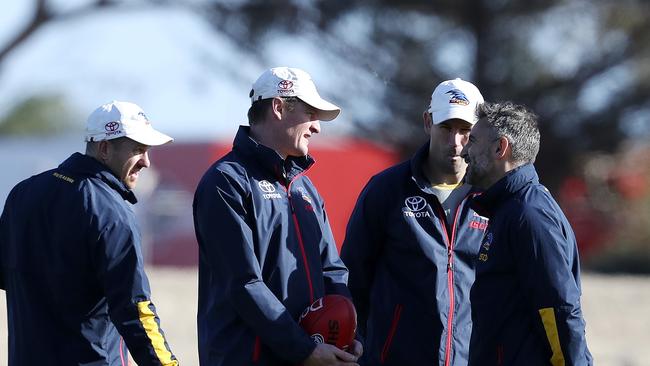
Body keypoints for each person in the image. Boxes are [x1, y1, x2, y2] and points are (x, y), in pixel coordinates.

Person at [193, 66, 362, 366]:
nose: (317, 127)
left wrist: (347, 333)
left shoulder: (305, 188)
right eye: (310, 114)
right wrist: (304, 350)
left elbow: (332, 271)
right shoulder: (225, 181)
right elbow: (244, 282)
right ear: (279, 107)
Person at [0, 101, 179, 365]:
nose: (146, 162)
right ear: (104, 148)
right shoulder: (113, 212)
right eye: (138, 150)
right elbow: (136, 309)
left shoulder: (22, 193)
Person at [341, 78, 488, 365]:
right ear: (427, 121)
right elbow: (352, 276)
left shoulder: (494, 197)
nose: (455, 142)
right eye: (446, 128)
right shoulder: (386, 189)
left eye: (465, 130)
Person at [461, 102, 592, 365]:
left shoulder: (529, 215)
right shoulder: (509, 210)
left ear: (501, 148)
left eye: (473, 141)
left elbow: (558, 309)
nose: (464, 151)